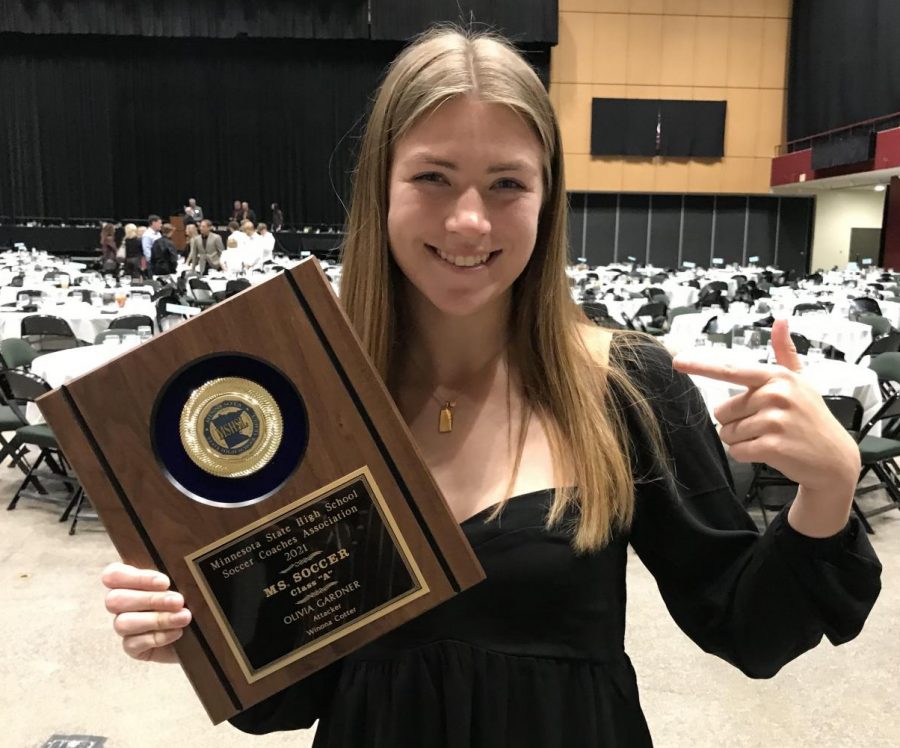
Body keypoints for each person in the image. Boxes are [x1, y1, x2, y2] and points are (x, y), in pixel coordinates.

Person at [101, 27, 881, 747]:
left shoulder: (627, 385)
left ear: (547, 199)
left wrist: (829, 488)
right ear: (382, 190)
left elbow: (748, 630)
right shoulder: (308, 396)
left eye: (507, 183)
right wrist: (199, 635)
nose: (469, 220)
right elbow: (292, 696)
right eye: (433, 177)